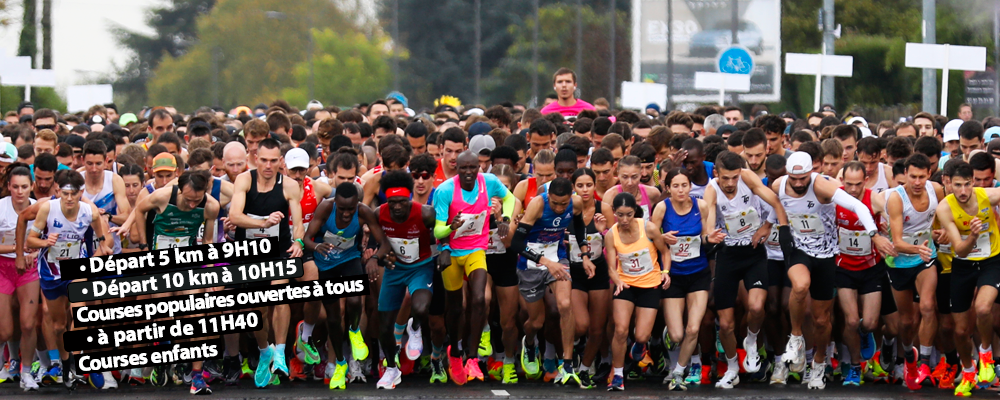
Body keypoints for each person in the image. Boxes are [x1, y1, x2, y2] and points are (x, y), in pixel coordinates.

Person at [774, 151, 881, 390]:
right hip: (799, 250)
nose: (798, 184)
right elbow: (775, 203)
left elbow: (856, 205)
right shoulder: (779, 185)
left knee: (822, 320)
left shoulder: (822, 186)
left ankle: (819, 363)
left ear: (812, 172)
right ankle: (795, 337)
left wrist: (874, 234)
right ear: (787, 174)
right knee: (800, 285)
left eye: (803, 178)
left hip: (826, 254)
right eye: (794, 178)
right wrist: (778, 226)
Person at [128, 169, 220, 394]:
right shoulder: (162, 196)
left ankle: (197, 376)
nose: (192, 205)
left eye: (196, 200)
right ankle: (163, 358)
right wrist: (144, 246)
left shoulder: (211, 206)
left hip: (187, 261)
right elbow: (139, 210)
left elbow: (208, 240)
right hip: (160, 263)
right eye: (188, 200)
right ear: (180, 190)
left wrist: (209, 272)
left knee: (196, 315)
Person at [703, 151, 789, 388]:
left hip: (753, 253)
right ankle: (732, 368)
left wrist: (768, 226)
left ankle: (751, 340)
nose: (731, 183)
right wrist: (710, 235)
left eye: (734, 177)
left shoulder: (747, 177)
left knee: (757, 307)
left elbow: (776, 202)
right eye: (725, 178)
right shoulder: (712, 189)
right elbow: (709, 220)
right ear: (716, 173)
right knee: (726, 324)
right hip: (728, 256)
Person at [432, 151, 516, 385]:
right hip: (451, 252)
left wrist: (505, 219)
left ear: (479, 167)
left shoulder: (489, 182)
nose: (469, 172)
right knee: (456, 308)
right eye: (463, 168)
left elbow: (510, 199)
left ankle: (471, 357)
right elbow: (437, 230)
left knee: (479, 298)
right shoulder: (445, 190)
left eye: (473, 167)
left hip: (475, 249)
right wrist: (451, 227)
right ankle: (455, 351)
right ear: (456, 169)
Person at [227, 138, 304, 388]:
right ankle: (264, 351)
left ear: (280, 161)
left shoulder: (289, 185)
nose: (268, 166)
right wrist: (263, 223)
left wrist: (299, 242)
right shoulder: (244, 180)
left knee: (279, 293)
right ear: (255, 159)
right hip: (249, 252)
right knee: (256, 309)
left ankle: (280, 351)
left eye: (273, 161)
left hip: (278, 250)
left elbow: (298, 223)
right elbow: (234, 215)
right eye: (263, 160)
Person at [22, 172, 111, 390]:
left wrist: (102, 245)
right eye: (65, 193)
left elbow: (100, 230)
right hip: (51, 273)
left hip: (76, 268)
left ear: (81, 193)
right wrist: (45, 242)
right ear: (58, 191)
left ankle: (78, 362)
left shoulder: (89, 211)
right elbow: (30, 240)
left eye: (74, 194)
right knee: (59, 325)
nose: (69, 198)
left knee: (80, 314)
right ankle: (65, 363)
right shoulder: (47, 209)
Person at [302, 182, 391, 390]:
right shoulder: (325, 208)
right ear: (335, 203)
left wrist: (374, 258)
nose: (346, 214)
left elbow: (384, 242)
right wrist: (316, 246)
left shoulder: (364, 212)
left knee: (354, 300)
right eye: (341, 209)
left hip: (350, 259)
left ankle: (354, 331)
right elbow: (306, 238)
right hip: (326, 264)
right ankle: (340, 363)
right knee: (333, 319)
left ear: (357, 204)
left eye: (351, 209)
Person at [511, 177, 593, 387]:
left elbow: (579, 227)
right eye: (555, 203)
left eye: (563, 204)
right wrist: (544, 262)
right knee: (536, 322)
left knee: (565, 304)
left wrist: (584, 255)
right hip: (531, 263)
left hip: (558, 258)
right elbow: (517, 243)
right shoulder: (537, 205)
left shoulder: (576, 203)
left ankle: (567, 365)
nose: (559, 208)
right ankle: (530, 343)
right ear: (548, 197)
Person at [650, 169, 721, 391]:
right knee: (677, 334)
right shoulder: (662, 208)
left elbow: (705, 236)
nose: (681, 190)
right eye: (676, 186)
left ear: (690, 186)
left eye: (684, 185)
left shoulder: (701, 206)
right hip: (674, 276)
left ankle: (679, 372)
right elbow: (650, 238)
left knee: (693, 328)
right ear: (668, 188)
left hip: (698, 273)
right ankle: (669, 336)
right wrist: (662, 238)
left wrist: (710, 238)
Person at [934, 162, 1000, 396]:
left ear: (973, 182)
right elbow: (960, 251)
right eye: (957, 185)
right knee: (961, 330)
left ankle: (986, 355)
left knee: (983, 308)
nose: (963, 191)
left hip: (991, 261)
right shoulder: (945, 208)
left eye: (967, 184)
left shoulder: (988, 196)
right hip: (963, 265)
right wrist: (972, 235)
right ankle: (969, 371)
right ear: (948, 183)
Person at [374, 171, 440, 390]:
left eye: (402, 202)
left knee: (421, 308)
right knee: (385, 327)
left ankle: (415, 327)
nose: (397, 207)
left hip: (420, 267)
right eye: (392, 202)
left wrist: (445, 251)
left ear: (410, 198)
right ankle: (391, 369)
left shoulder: (425, 213)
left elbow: (441, 234)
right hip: (395, 270)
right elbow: (377, 240)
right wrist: (382, 256)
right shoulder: (379, 213)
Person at [884, 153, 943, 390]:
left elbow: (940, 221)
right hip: (899, 263)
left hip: (924, 259)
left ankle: (925, 363)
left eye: (921, 177)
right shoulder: (896, 199)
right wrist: (918, 247)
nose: (917, 182)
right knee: (906, 322)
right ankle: (909, 358)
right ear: (905, 175)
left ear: (929, 174)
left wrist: (941, 233)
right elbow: (897, 242)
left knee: (928, 306)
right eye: (912, 177)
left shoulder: (936, 191)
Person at [834, 161, 894, 387]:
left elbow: (892, 217)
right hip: (844, 267)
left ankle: (863, 332)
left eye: (857, 184)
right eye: (848, 184)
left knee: (869, 323)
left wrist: (887, 227)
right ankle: (855, 367)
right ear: (842, 181)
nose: (852, 189)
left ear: (866, 181)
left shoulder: (874, 199)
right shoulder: (835, 198)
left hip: (871, 268)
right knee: (850, 320)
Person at [604, 192, 671, 391]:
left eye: (629, 214)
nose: (624, 220)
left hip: (649, 285)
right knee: (621, 330)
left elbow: (665, 252)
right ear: (614, 212)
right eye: (620, 215)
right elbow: (611, 267)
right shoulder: (611, 234)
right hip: (625, 285)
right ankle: (618, 375)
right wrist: (618, 281)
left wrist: (666, 272)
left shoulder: (648, 228)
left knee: (642, 336)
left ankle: (640, 346)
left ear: (635, 212)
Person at [567, 168, 609, 388]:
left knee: (597, 329)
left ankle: (584, 369)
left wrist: (603, 231)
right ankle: (571, 349)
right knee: (581, 324)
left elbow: (616, 240)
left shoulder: (604, 208)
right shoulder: (566, 209)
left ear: (594, 185)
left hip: (599, 271)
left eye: (589, 185)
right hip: (574, 272)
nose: (585, 190)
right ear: (573, 187)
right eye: (580, 186)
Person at [0, 165, 39, 390]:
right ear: (8, 187)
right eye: (15, 187)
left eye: (24, 187)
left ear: (31, 186)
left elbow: (48, 240)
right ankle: (3, 363)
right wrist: (17, 249)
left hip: (29, 268)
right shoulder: (1, 208)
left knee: (28, 323)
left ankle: (26, 372)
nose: (20, 191)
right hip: (3, 267)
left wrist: (33, 252)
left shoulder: (39, 208)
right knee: (4, 329)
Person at [484, 164, 523, 384]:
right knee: (483, 299)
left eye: (504, 188)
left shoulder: (514, 203)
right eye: (495, 189)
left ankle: (508, 361)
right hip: (482, 261)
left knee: (508, 322)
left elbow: (508, 242)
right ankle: (483, 341)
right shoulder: (478, 201)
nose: (498, 195)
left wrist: (500, 217)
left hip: (506, 262)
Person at [602, 156, 661, 223]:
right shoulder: (610, 196)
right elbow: (606, 225)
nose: (630, 183)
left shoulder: (653, 193)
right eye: (625, 177)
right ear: (618, 174)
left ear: (640, 174)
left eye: (634, 177)